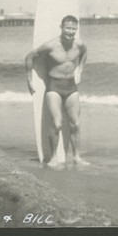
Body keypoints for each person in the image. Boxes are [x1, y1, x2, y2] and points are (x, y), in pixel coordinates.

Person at [25, 15, 89, 167]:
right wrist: (29, 79)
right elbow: (29, 56)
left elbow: (85, 53)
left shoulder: (79, 45)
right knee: (57, 123)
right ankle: (53, 157)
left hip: (71, 86)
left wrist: (80, 69)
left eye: (73, 29)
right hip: (54, 86)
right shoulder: (50, 46)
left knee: (75, 124)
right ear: (61, 27)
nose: (70, 32)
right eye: (67, 28)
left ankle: (77, 157)